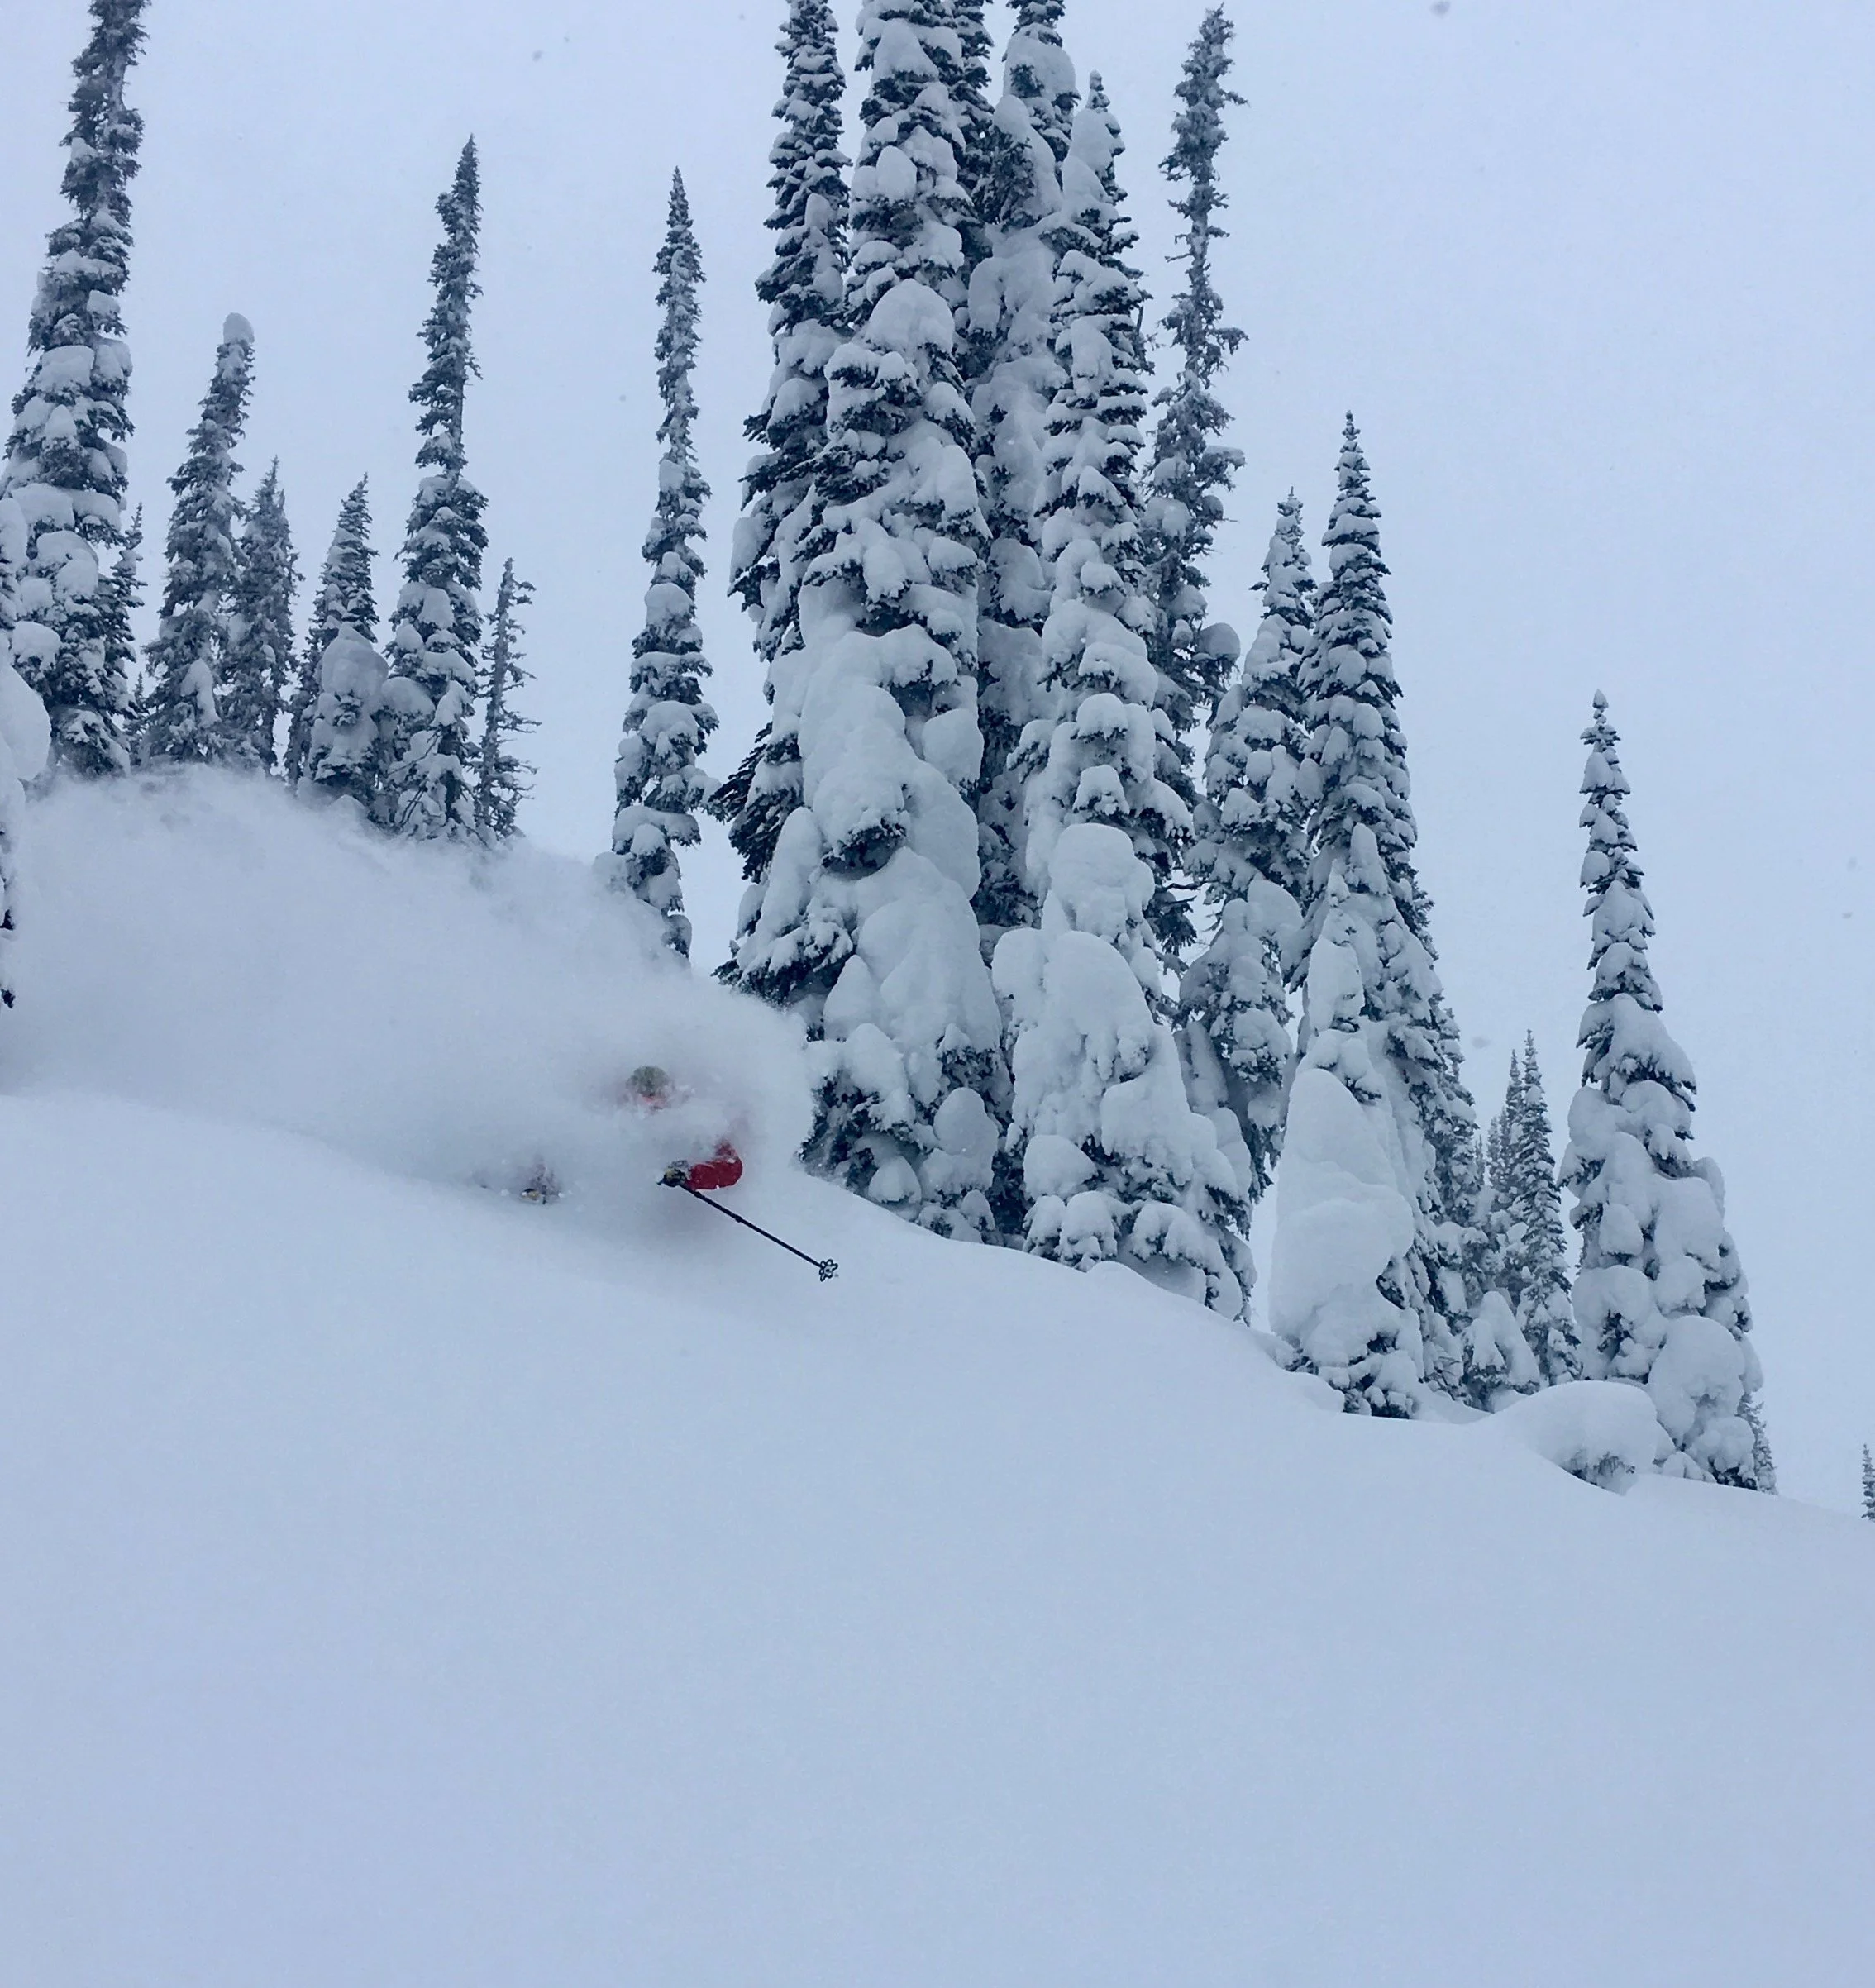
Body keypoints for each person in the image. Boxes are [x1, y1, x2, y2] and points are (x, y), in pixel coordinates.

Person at [627, 1065, 744, 1191]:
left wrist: (689, 1174)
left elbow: (732, 1168)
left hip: (675, 1205)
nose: (650, 1102)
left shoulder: (693, 1120)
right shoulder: (623, 1120)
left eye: (656, 1094)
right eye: (644, 1095)